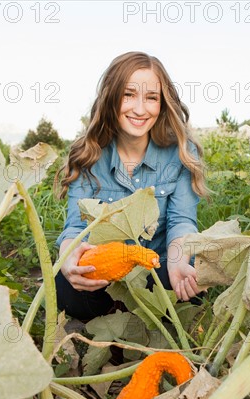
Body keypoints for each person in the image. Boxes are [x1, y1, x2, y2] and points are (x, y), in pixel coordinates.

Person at [55, 51, 207, 321]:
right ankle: (120, 315)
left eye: (151, 98)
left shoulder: (181, 152)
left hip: (158, 269)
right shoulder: (87, 155)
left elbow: (182, 222)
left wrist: (178, 260)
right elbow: (76, 230)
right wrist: (69, 257)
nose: (140, 109)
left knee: (193, 270)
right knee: (66, 285)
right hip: (108, 276)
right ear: (112, 97)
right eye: (128, 95)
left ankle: (141, 313)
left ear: (162, 103)